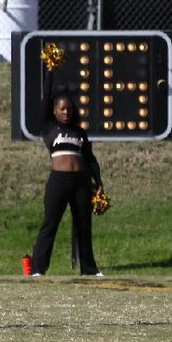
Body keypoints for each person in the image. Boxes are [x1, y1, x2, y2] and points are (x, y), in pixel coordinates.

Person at [30, 51, 105, 277]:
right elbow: (45, 99)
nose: (66, 112)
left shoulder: (79, 132)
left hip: (81, 181)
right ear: (55, 110)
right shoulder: (48, 128)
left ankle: (89, 269)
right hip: (59, 181)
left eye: (69, 109)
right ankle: (38, 268)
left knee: (83, 226)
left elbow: (90, 158)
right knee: (50, 224)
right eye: (62, 109)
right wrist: (50, 71)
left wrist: (98, 183)